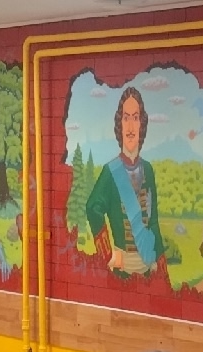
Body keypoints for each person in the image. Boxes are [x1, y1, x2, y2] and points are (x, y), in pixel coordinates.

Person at [82, 86, 164, 278]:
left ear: (142, 124)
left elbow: (153, 221)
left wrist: (159, 261)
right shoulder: (111, 172)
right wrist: (110, 256)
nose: (130, 127)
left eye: (135, 118)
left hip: (148, 271)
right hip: (122, 274)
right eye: (126, 118)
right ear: (120, 123)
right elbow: (92, 208)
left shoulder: (148, 170)